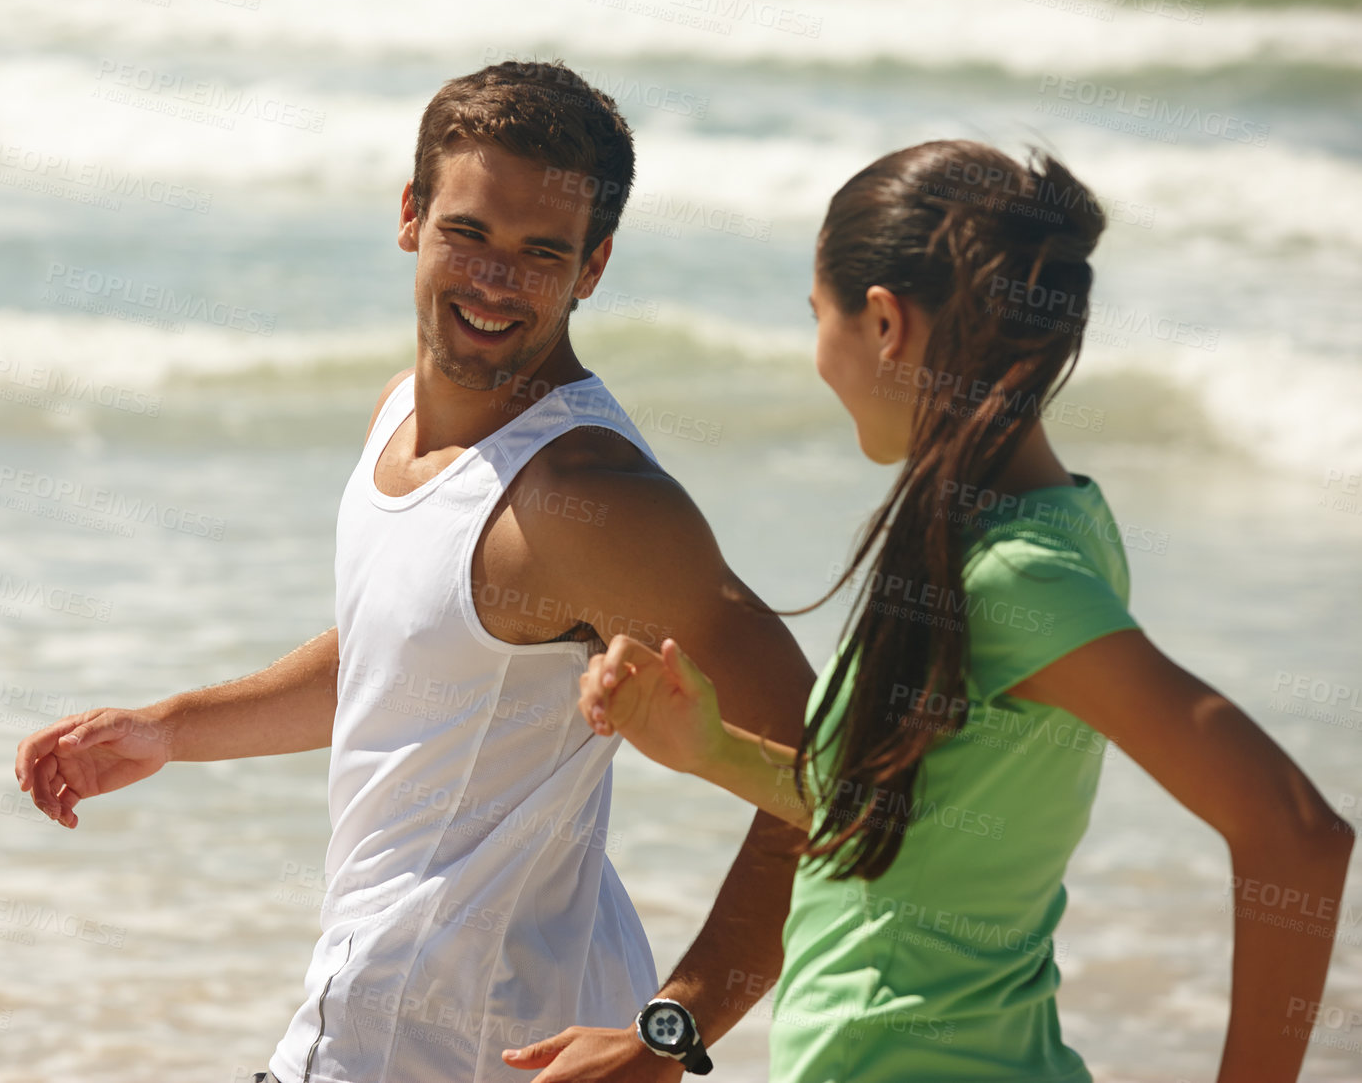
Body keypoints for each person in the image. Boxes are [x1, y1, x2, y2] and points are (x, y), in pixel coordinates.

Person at [14, 61, 821, 1083]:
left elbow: (833, 776)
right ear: (410, 214)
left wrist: (672, 1029)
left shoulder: (590, 497)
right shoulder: (402, 412)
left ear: (594, 264)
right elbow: (408, 645)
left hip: (488, 1051)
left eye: (540, 254)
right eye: (468, 234)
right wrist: (174, 727)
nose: (494, 280)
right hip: (377, 1025)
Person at [567, 140, 1355, 1083]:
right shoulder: (1047, 521)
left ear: (886, 323)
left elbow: (1297, 835)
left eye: (818, 318)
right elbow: (912, 817)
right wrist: (715, 750)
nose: (818, 356)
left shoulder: (1014, 575)